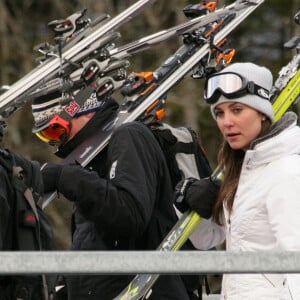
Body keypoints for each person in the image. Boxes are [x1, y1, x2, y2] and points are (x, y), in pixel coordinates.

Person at [31, 92, 197, 300]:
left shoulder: (129, 136)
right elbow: (93, 247)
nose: (55, 143)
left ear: (84, 109)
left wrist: (65, 176)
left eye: (56, 131)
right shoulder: (90, 167)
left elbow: (130, 215)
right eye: (45, 136)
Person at [174, 62, 300, 299]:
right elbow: (210, 239)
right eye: (220, 113)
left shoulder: (286, 173)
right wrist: (186, 204)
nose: (226, 122)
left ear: (263, 112)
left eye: (237, 110)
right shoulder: (244, 171)